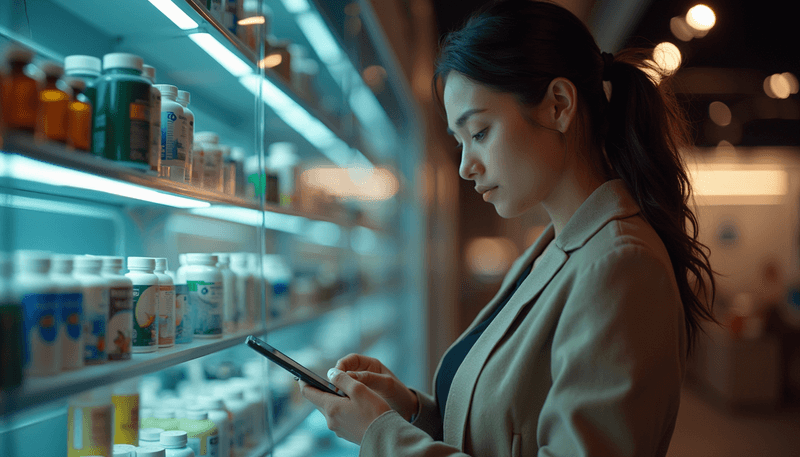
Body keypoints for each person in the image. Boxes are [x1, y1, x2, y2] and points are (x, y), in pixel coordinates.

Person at [299, 1, 719, 455]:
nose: (464, 167)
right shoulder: (554, 247)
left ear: (559, 105)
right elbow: (511, 428)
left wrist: (380, 435)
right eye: (458, 142)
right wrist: (408, 410)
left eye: (479, 132)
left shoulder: (620, 263)